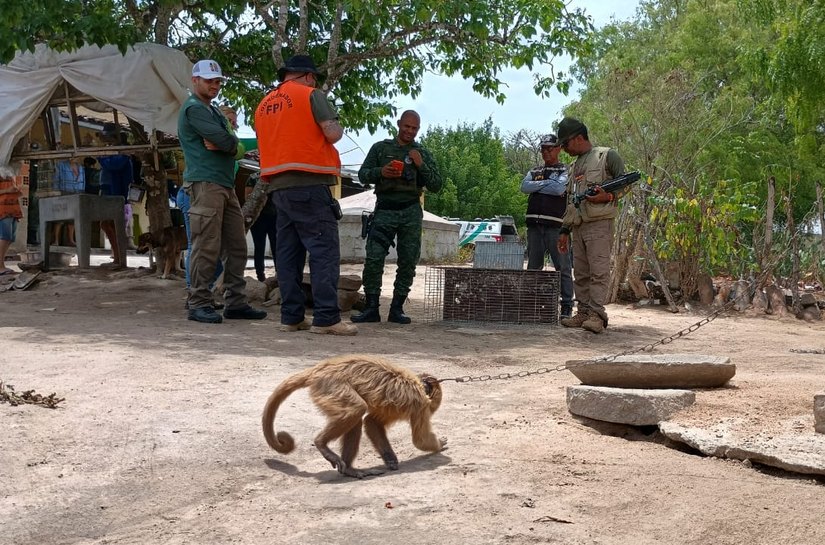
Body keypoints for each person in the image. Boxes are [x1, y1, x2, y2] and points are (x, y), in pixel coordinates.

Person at [254, 54, 356, 336]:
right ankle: (326, 318)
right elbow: (332, 133)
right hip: (309, 185)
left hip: (278, 188)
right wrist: (336, 122)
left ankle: (291, 317)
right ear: (309, 76)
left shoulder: (263, 105)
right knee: (323, 251)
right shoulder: (311, 95)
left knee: (288, 254)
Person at [177, 59, 266, 324]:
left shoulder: (212, 110)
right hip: (205, 183)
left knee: (236, 245)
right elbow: (227, 141)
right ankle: (199, 302)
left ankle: (235, 302)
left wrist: (230, 144)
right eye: (209, 81)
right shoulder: (195, 109)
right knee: (206, 246)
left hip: (223, 185)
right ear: (195, 81)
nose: (214, 86)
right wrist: (229, 143)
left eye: (217, 82)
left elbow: (231, 143)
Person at [351, 110, 443, 324]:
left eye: (414, 128)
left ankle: (397, 309)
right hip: (384, 209)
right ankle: (371, 308)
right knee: (374, 258)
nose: (409, 131)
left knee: (408, 261)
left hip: (410, 211)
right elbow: (363, 174)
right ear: (399, 124)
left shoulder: (421, 152)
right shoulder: (380, 148)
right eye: (406, 126)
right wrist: (381, 172)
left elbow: (436, 185)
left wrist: (420, 164)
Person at [556, 117, 627, 334]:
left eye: (565, 144)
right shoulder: (574, 165)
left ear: (578, 138)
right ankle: (584, 312)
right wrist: (564, 230)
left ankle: (597, 314)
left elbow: (625, 183)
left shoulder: (606, 155)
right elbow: (571, 200)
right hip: (578, 225)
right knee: (582, 273)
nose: (564, 149)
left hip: (599, 223)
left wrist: (607, 196)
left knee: (599, 271)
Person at [520, 133, 575, 320]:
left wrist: (538, 185)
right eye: (543, 148)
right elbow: (524, 187)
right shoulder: (534, 170)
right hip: (534, 227)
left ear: (558, 149)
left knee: (563, 267)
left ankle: (566, 306)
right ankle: (530, 305)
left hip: (556, 227)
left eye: (550, 148)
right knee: (534, 267)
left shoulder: (566, 171)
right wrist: (546, 183)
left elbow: (559, 189)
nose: (546, 152)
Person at [245, 174, 277, 282]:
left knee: (277, 247)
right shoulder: (254, 178)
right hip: (259, 218)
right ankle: (260, 276)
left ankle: (280, 275)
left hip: (274, 217)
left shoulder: (276, 177)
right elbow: (248, 197)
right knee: (259, 248)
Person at [0, 171, 23, 276]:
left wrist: (16, 190)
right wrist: (7, 190)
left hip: (12, 207)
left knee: (9, 238)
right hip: (3, 207)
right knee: (4, 237)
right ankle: (0, 266)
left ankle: (1, 264)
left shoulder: (9, 171)